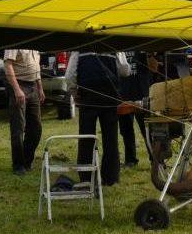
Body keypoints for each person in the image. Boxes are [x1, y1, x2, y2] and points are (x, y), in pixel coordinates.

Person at [65, 50, 131, 186]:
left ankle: (86, 177)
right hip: (109, 97)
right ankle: (111, 178)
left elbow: (70, 75)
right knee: (111, 139)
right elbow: (124, 70)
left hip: (87, 96)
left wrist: (74, 93)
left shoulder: (80, 47)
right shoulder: (112, 44)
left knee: (86, 138)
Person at [3, 49, 44, 175]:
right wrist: (17, 89)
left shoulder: (35, 47)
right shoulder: (15, 44)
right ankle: (18, 165)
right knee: (18, 127)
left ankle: (27, 160)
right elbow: (8, 65)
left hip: (33, 86)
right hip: (19, 85)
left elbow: (36, 68)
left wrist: (40, 88)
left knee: (36, 128)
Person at [118, 51, 152, 167]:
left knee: (146, 128)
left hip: (142, 92)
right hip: (123, 92)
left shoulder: (141, 45)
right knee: (126, 129)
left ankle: (154, 158)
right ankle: (130, 160)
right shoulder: (116, 45)